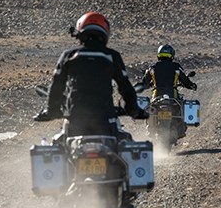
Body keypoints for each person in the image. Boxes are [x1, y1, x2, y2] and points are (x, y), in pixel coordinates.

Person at [34, 11, 148, 139]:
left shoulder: (69, 56)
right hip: (105, 121)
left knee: (58, 145)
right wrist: (134, 111)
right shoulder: (111, 56)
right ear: (105, 33)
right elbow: (125, 87)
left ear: (79, 33)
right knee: (126, 143)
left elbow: (57, 85)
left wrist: (52, 111)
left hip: (76, 120)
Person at [135, 44, 197, 139]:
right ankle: (180, 129)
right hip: (173, 97)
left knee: (150, 109)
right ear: (172, 55)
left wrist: (137, 88)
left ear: (159, 54)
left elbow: (144, 83)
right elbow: (185, 81)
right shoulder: (176, 68)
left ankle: (150, 129)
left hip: (157, 97)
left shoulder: (153, 68)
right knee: (181, 108)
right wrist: (192, 85)